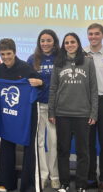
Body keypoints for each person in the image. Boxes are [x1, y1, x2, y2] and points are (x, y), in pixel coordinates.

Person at [48, 33, 98, 192]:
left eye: (73, 42)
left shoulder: (88, 62)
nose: (70, 45)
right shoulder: (58, 63)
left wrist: (93, 113)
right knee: (63, 150)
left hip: (83, 114)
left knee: (83, 152)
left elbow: (93, 90)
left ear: (78, 43)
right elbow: (53, 89)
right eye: (67, 42)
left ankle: (81, 184)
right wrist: (51, 112)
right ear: (63, 45)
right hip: (62, 114)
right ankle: (64, 183)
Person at [0, 38, 44, 192]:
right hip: (9, 112)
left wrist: (38, 82)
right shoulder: (0, 69)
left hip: (27, 112)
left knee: (29, 147)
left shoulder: (25, 67)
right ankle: (6, 182)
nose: (6, 57)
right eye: (3, 54)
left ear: (15, 52)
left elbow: (42, 83)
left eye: (9, 53)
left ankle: (28, 186)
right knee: (7, 143)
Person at [27, 29, 60, 189]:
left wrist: (43, 84)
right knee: (39, 142)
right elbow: (26, 82)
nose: (45, 43)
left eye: (48, 40)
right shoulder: (32, 59)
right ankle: (43, 175)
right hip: (38, 106)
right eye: (42, 41)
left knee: (53, 142)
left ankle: (55, 175)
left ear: (54, 42)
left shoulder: (61, 58)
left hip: (55, 107)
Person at [84, 23, 103, 192]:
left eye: (97, 34)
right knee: (88, 143)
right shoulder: (81, 54)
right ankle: (90, 177)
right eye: (90, 34)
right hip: (86, 103)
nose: (93, 37)